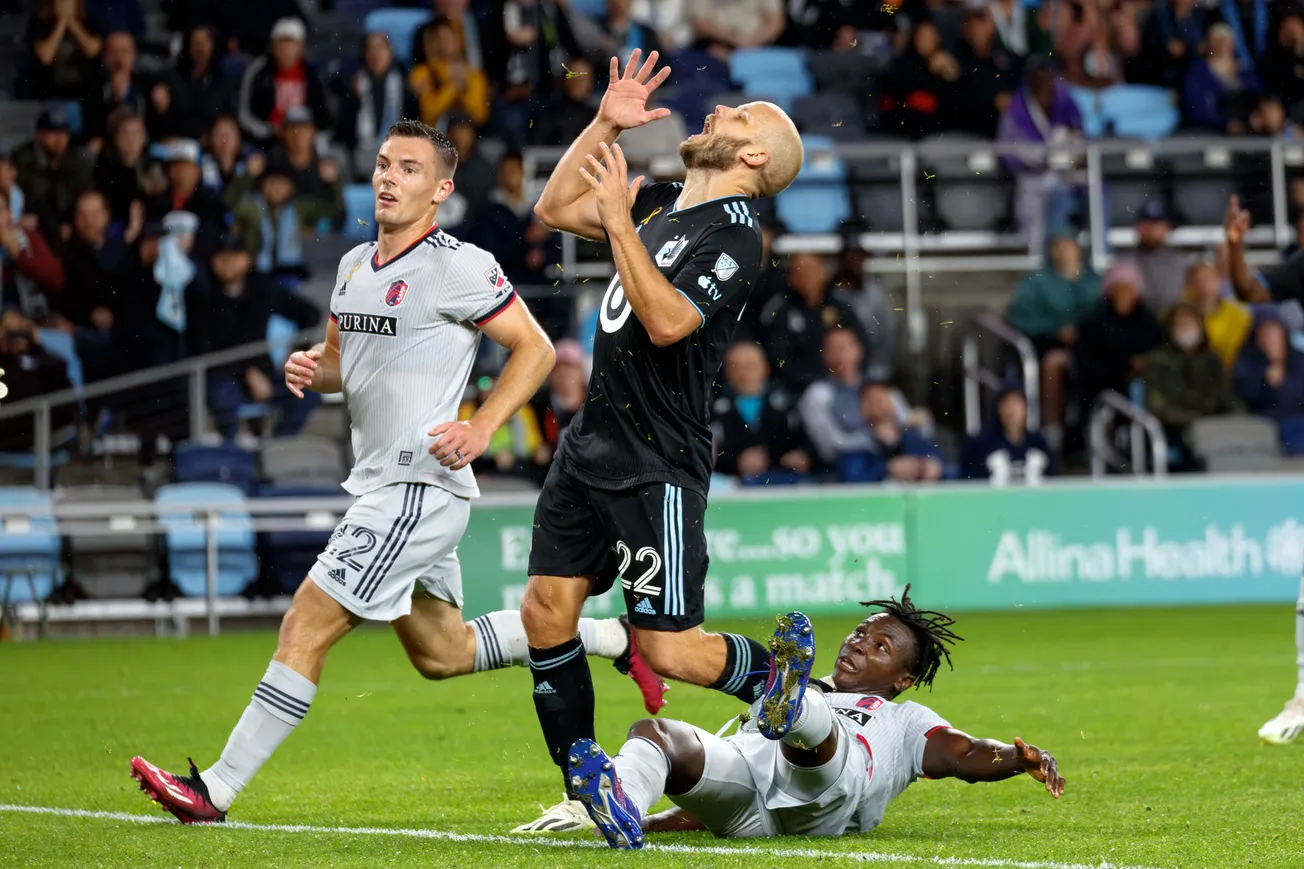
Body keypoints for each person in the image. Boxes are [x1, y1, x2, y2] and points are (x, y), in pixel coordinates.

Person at [128, 118, 661, 825]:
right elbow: (344, 366)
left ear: (440, 189)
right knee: (443, 651)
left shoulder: (458, 264)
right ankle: (611, 637)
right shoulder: (353, 265)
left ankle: (214, 788)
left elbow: (533, 349)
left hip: (418, 485)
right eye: (382, 163)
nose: (387, 177)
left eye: (408, 168)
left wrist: (480, 426)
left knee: (305, 622)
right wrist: (312, 372)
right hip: (382, 481)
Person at [520, 49, 803, 832]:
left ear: (753, 157)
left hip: (657, 461)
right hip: (590, 444)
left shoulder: (740, 237)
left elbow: (670, 321)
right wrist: (604, 122)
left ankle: (776, 674)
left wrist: (618, 224)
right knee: (547, 611)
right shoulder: (667, 214)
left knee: (671, 649)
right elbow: (552, 207)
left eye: (738, 117)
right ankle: (590, 775)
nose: (717, 112)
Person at [567, 589, 1065, 850]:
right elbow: (708, 801)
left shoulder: (906, 720)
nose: (856, 645)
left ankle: (794, 707)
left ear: (903, 679)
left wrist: (1015, 760)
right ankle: (625, 806)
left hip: (824, 796)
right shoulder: (810, 689)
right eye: (858, 634)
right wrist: (655, 823)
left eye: (879, 647)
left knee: (815, 725)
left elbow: (965, 752)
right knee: (656, 734)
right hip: (749, 810)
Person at [199, 233, 322, 438]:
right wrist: (246, 372)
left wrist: (296, 351)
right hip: (224, 376)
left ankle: (277, 446)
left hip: (266, 374)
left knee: (308, 391)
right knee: (222, 396)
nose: (228, 263)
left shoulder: (261, 288)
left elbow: (310, 313)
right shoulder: (204, 295)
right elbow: (204, 346)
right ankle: (235, 454)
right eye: (222, 257)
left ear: (246, 258)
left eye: (234, 256)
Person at [1005, 232, 1099, 451]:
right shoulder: (1036, 282)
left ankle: (1097, 429)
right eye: (1059, 245)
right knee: (1055, 363)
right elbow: (1020, 318)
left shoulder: (1094, 281)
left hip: (1093, 350)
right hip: (1048, 346)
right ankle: (1052, 430)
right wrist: (1057, 331)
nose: (1064, 250)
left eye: (1069, 245)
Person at [1141, 303, 1239, 471]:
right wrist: (1194, 421)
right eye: (1180, 323)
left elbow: (1225, 396)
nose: (1185, 327)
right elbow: (1157, 407)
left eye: (1190, 322)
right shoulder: (1157, 361)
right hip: (1174, 429)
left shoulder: (1212, 359)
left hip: (1211, 426)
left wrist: (1239, 416)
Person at [757, 251, 867, 393]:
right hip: (795, 389)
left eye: (811, 270)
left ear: (823, 272)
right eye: (800, 271)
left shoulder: (841, 308)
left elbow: (863, 345)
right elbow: (776, 356)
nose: (807, 276)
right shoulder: (780, 311)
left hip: (842, 386)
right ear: (791, 278)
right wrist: (808, 381)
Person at [711, 342, 809, 482]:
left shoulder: (786, 404)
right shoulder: (715, 410)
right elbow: (707, 453)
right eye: (736, 367)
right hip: (734, 486)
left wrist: (801, 455)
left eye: (750, 366)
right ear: (726, 372)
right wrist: (736, 462)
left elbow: (807, 443)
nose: (743, 373)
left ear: (765, 367)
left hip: (784, 482)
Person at [1073, 260, 1164, 410]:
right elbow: (1087, 363)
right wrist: (1125, 368)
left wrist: (1145, 364)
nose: (1123, 295)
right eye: (1118, 289)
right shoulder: (1094, 321)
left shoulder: (1149, 321)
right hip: (1104, 392)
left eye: (1128, 289)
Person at [236, 17, 331, 146]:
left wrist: (310, 135)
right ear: (272, 46)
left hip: (306, 142)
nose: (286, 50)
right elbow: (244, 113)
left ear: (301, 47)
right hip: (267, 141)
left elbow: (324, 115)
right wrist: (268, 131)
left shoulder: (314, 75)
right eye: (281, 44)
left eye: (291, 44)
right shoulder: (259, 71)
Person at [337, 32, 417, 181]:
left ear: (390, 52)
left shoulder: (405, 83)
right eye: (370, 49)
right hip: (362, 153)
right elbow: (344, 130)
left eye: (380, 48)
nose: (375, 54)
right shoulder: (353, 84)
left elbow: (415, 122)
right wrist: (353, 99)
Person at [839, 381, 943, 484]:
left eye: (882, 397)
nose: (878, 403)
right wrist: (887, 469)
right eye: (871, 399)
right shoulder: (855, 444)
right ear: (861, 408)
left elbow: (938, 462)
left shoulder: (911, 437)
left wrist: (930, 466)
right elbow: (851, 481)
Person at [961, 385, 1055, 484]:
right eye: (1006, 404)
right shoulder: (980, 445)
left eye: (1016, 403)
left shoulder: (1038, 443)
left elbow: (1055, 482)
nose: (1011, 410)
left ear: (1026, 408)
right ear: (997, 409)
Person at [410, 16, 491, 130]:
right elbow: (428, 116)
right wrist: (453, 87)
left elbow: (479, 115)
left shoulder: (474, 75)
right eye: (438, 39)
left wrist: (464, 89)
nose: (444, 43)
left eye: (448, 37)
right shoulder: (420, 74)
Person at [25, 0, 104, 100]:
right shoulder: (39, 23)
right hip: (49, 93)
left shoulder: (90, 21)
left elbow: (92, 50)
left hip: (85, 93)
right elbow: (45, 57)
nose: (64, 4)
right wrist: (61, 22)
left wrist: (72, 22)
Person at [1232, 312, 1304, 420]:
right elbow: (1244, 393)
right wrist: (1266, 383)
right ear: (1256, 337)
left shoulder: (1299, 358)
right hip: (1262, 421)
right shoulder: (1246, 360)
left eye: (1275, 332)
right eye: (1265, 333)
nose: (1270, 339)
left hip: (1297, 421)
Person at [1182, 259, 1251, 372]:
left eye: (1208, 279)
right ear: (1189, 285)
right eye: (1198, 280)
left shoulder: (1239, 315)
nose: (1203, 285)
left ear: (1219, 281)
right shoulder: (1181, 314)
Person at [1131, 199, 1191, 318]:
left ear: (1167, 228)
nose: (1152, 230)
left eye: (1157, 225)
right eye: (1147, 224)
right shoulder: (1125, 262)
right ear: (1138, 227)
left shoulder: (1181, 262)